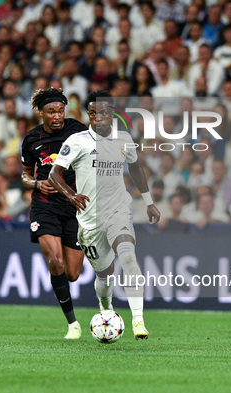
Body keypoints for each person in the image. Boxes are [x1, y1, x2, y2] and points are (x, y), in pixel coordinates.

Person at [49, 90, 161, 340]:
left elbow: (135, 167)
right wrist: (71, 195)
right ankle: (106, 308)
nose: (99, 117)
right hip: (89, 221)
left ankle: (138, 321)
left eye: (105, 113)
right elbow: (54, 174)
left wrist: (149, 202)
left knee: (128, 256)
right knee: (105, 275)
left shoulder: (124, 139)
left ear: (112, 114)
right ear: (89, 114)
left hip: (118, 210)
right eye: (94, 113)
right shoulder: (76, 141)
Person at [20, 88, 88, 340]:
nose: (57, 116)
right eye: (51, 111)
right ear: (41, 113)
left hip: (74, 206)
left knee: (72, 273)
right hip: (45, 205)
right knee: (55, 261)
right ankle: (72, 324)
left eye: (60, 110)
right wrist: (36, 184)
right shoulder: (31, 139)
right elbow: (25, 174)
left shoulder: (78, 129)